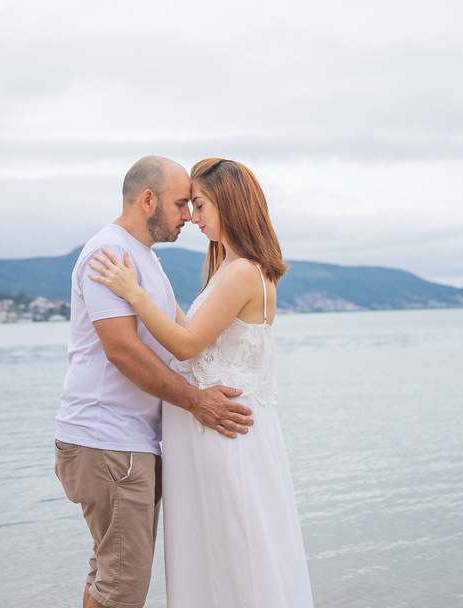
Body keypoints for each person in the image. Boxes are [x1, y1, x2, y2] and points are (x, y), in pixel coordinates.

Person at [89, 158, 314, 608]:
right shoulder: (239, 269)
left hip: (221, 433)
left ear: (229, 204)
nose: (193, 217)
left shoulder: (242, 272)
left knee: (229, 548)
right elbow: (191, 326)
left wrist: (133, 294)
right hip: (224, 431)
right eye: (190, 204)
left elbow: (189, 344)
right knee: (226, 547)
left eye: (200, 204)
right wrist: (152, 287)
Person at [54, 155, 256, 608]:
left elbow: (183, 339)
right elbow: (122, 350)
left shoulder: (142, 258)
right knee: (122, 588)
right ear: (148, 200)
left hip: (125, 442)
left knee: (109, 575)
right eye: (181, 203)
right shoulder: (109, 253)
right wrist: (196, 402)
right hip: (108, 441)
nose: (188, 215)